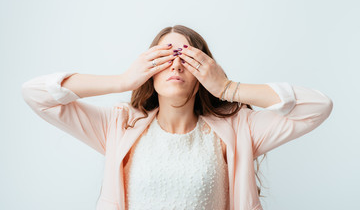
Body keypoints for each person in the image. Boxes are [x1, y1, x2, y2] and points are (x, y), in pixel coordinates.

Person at [21, 25, 333, 210]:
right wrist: (123, 80)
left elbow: (317, 106)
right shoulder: (118, 126)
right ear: (148, 71)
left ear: (204, 71)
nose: (175, 65)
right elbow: (37, 94)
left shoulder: (238, 131)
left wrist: (228, 87)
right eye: (164, 57)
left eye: (187, 57)